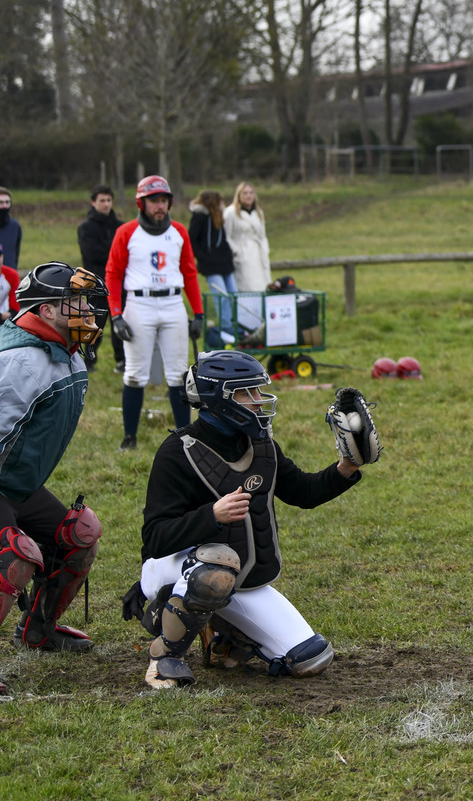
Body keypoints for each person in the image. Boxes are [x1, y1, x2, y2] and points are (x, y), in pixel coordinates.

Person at [124, 352, 380, 688]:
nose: (259, 401)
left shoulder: (263, 446)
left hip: (237, 577)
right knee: (217, 563)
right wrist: (211, 516)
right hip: (173, 568)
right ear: (220, 399)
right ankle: (164, 657)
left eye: (259, 391)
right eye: (248, 393)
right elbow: (154, 538)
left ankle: (224, 633)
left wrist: (346, 468)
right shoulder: (178, 451)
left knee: (309, 658)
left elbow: (303, 492)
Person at [0, 263, 107, 685]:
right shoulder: (20, 363)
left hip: (14, 483)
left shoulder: (62, 349)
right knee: (15, 556)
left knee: (78, 534)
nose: (86, 310)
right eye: (74, 303)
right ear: (45, 311)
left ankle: (37, 631)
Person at [104, 175, 205, 451]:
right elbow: (112, 274)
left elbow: (189, 272)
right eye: (153, 201)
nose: (159, 206)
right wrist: (115, 314)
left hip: (173, 303)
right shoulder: (126, 232)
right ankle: (130, 437)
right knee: (135, 374)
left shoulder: (179, 232)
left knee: (177, 374)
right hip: (139, 305)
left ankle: (185, 436)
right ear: (141, 202)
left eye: (163, 200)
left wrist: (198, 313)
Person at [77, 185, 125, 373]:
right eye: (102, 200)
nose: (106, 204)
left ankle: (122, 360)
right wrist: (113, 249)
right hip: (96, 282)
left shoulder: (120, 226)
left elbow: (125, 252)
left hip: (120, 280)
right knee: (95, 321)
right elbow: (92, 253)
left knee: (119, 320)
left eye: (109, 200)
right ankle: (87, 361)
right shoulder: (86, 228)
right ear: (93, 202)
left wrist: (110, 250)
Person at [189, 190, 237, 329]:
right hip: (211, 265)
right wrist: (204, 257)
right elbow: (192, 240)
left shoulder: (218, 216)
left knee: (233, 294)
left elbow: (222, 239)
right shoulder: (199, 217)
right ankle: (227, 327)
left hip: (225, 263)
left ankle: (235, 325)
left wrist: (229, 254)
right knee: (221, 297)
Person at [224, 182, 271, 292]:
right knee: (246, 289)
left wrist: (265, 250)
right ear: (239, 195)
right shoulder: (231, 212)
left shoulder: (259, 213)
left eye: (251, 193)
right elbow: (226, 236)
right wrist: (236, 251)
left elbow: (262, 235)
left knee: (261, 287)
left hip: (258, 255)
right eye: (245, 193)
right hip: (242, 256)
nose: (248, 196)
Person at [0, 187, 19, 270]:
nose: (4, 206)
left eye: (7, 202)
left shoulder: (15, 226)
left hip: (9, 276)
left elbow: (16, 255)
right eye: (0, 202)